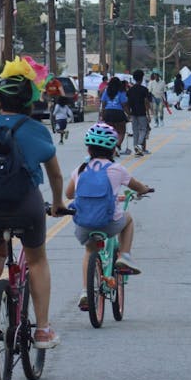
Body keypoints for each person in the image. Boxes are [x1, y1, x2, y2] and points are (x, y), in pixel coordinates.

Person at [0, 56, 65, 349]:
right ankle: (43, 331)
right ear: (30, 102)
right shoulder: (36, 130)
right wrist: (58, 203)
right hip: (25, 205)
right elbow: (56, 176)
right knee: (36, 260)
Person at [64, 122, 152, 311]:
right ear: (113, 148)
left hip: (84, 225)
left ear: (88, 148)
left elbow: (69, 194)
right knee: (127, 219)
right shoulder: (117, 169)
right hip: (108, 223)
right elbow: (136, 186)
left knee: (89, 251)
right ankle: (125, 256)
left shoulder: (80, 169)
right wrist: (144, 189)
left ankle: (86, 292)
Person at [99, 76, 130, 155]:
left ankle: (111, 148)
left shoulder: (106, 91)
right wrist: (129, 114)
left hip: (108, 113)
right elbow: (124, 104)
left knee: (109, 132)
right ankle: (117, 146)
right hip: (118, 113)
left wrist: (102, 115)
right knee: (121, 132)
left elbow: (103, 104)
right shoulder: (121, 92)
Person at [126, 69, 152, 155]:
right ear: (142, 78)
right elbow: (146, 102)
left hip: (133, 113)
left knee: (135, 130)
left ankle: (136, 147)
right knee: (144, 129)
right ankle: (140, 145)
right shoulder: (144, 89)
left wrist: (129, 113)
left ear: (134, 78)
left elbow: (128, 102)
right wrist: (148, 114)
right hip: (142, 113)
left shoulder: (130, 90)